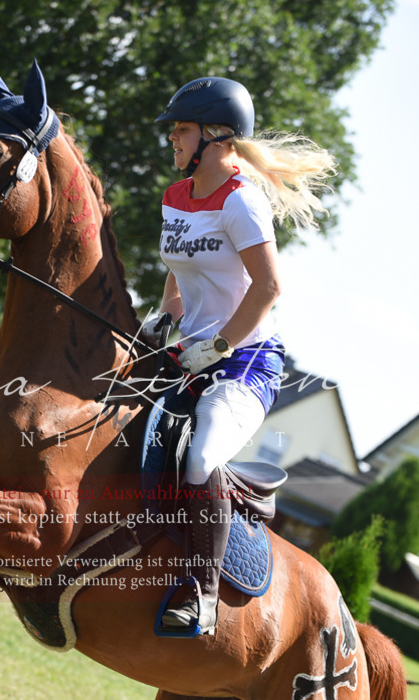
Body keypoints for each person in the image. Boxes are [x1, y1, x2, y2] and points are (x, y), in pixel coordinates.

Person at [144, 76, 336, 634]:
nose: (173, 139)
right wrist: (164, 317)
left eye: (182, 129)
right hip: (189, 353)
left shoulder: (241, 201)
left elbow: (269, 288)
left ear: (216, 136)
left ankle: (202, 595)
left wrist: (219, 345)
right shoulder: (175, 197)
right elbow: (178, 272)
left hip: (245, 361)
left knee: (201, 457)